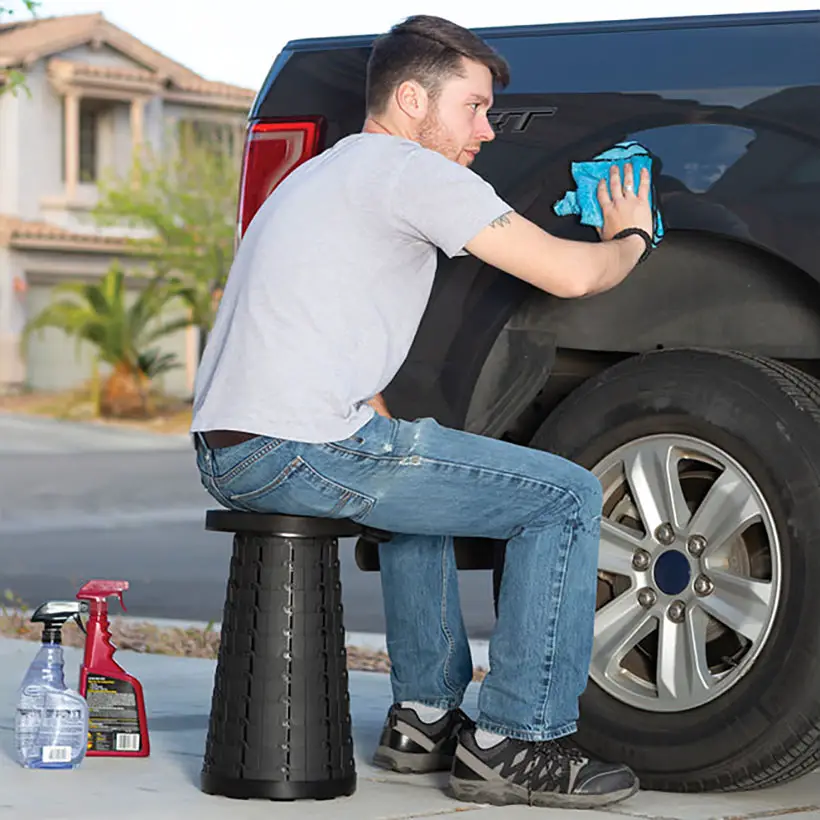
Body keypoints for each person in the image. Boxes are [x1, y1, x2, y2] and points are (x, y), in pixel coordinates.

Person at [191, 14, 654, 810]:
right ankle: (520, 740)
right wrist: (632, 232)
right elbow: (572, 276)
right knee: (567, 497)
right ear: (412, 99)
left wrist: (380, 419)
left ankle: (426, 717)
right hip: (298, 450)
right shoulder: (411, 171)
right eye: (473, 108)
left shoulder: (324, 175)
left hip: (232, 448)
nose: (487, 131)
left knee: (421, 468)